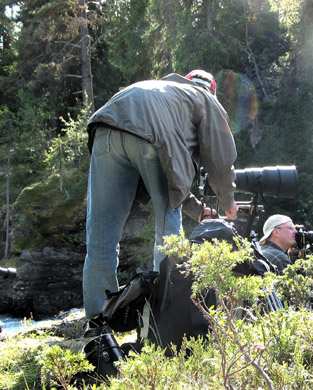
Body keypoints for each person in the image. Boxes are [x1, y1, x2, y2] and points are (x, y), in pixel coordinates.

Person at [83, 69, 239, 320]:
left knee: (100, 240)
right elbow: (219, 160)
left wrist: (198, 210)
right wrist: (227, 201)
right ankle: (164, 318)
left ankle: (98, 326)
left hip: (104, 129)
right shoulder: (206, 98)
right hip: (152, 136)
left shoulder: (162, 89)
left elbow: (172, 175)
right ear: (212, 89)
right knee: (167, 234)